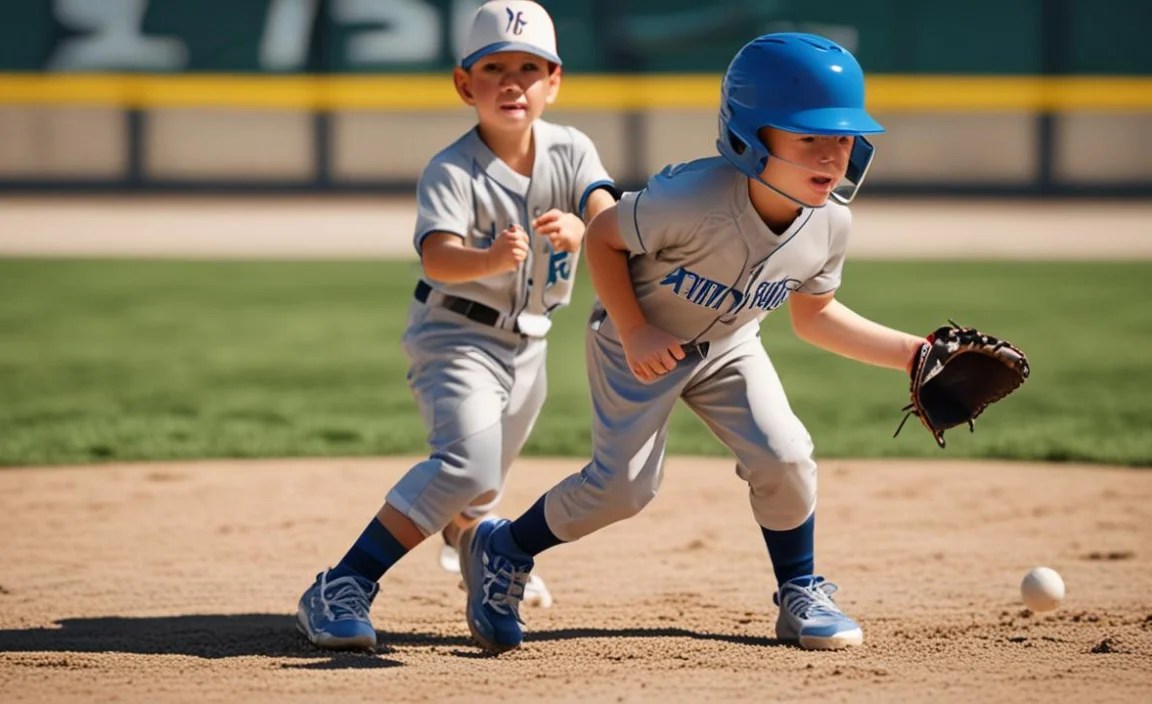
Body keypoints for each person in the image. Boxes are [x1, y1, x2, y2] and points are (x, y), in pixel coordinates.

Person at [458, 32, 929, 654]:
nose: (831, 155)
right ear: (750, 137)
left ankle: (800, 591)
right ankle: (505, 547)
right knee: (621, 490)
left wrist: (913, 354)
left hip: (731, 343)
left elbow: (814, 317)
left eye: (843, 137)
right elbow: (602, 236)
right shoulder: (691, 199)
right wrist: (634, 328)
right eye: (807, 137)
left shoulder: (829, 223)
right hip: (640, 339)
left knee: (786, 454)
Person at [296, 0, 617, 650]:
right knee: (468, 466)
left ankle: (479, 553)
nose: (511, 81)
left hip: (530, 342)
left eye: (529, 67)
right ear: (464, 83)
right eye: (493, 67)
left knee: (481, 483)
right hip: (455, 336)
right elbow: (437, 257)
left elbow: (608, 212)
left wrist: (587, 227)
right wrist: (491, 259)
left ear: (553, 82)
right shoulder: (452, 168)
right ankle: (343, 583)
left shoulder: (572, 147)